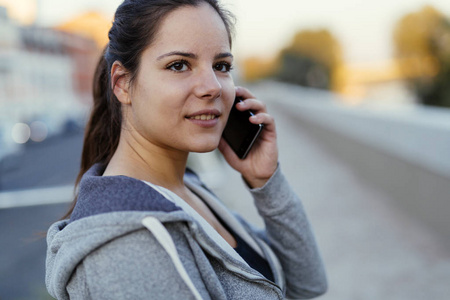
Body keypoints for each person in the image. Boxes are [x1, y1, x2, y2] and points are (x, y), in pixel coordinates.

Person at [45, 0, 327, 299]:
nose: (212, 87)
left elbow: (307, 284)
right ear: (122, 83)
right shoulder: (126, 246)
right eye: (179, 65)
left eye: (221, 66)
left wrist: (266, 182)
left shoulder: (188, 187)